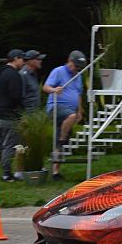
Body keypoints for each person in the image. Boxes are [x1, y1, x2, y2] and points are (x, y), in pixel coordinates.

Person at [43, 50, 87, 180]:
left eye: (79, 68)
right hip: (56, 108)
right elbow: (45, 87)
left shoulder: (78, 76)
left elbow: (78, 94)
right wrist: (54, 90)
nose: (77, 69)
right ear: (69, 61)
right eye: (75, 66)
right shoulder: (58, 71)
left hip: (70, 111)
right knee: (70, 118)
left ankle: (55, 172)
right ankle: (63, 137)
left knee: (59, 144)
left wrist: (80, 110)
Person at [0, 49, 25, 182]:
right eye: (22, 59)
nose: (23, 62)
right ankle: (6, 173)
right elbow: (16, 96)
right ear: (15, 58)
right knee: (9, 145)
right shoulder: (14, 75)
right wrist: (21, 112)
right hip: (9, 115)